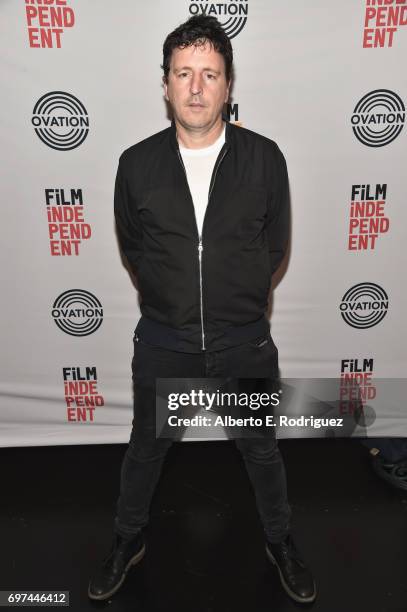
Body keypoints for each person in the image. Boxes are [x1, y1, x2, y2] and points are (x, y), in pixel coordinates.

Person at [88, 15, 316, 604]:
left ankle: (281, 540)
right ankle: (126, 539)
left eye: (208, 74)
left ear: (227, 84)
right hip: (166, 341)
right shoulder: (135, 165)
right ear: (164, 84)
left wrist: (232, 304)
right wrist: (174, 300)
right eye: (183, 73)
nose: (195, 87)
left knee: (261, 450)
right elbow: (135, 247)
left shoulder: (265, 159)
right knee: (145, 450)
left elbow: (275, 245)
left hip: (243, 342)